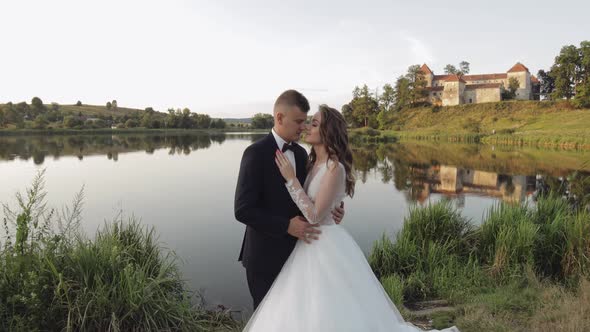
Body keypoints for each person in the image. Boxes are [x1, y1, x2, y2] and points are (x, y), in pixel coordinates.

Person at [242, 104, 460, 332]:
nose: (307, 127)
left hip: (323, 242)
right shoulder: (309, 161)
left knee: (329, 305)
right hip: (307, 243)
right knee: (305, 304)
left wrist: (291, 179)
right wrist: (333, 206)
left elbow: (314, 215)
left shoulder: (335, 168)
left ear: (328, 132)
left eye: (314, 124)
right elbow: (313, 201)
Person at [234, 90, 345, 310]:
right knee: (267, 317)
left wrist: (334, 207)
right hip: (264, 257)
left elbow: (310, 195)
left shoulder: (303, 154)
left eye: (306, 122)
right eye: (298, 121)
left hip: (301, 254)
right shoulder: (255, 153)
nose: (303, 127)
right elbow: (243, 210)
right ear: (279, 118)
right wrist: (286, 226)